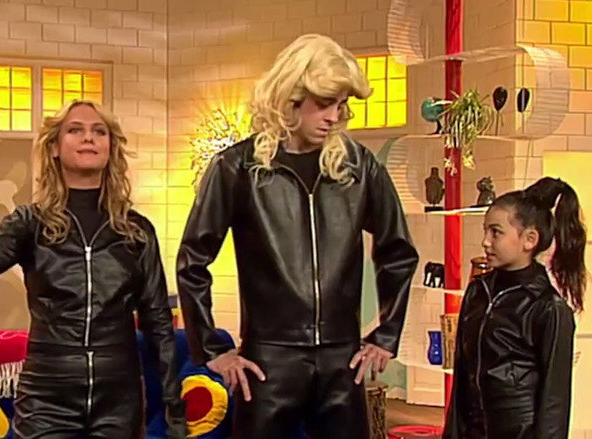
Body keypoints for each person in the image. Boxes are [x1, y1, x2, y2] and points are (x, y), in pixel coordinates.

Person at [176, 34, 419, 439]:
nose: (334, 117)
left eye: (341, 105)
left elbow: (398, 251)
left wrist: (386, 335)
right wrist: (212, 349)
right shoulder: (238, 168)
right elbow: (193, 260)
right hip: (269, 359)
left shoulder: (359, 167)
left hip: (343, 359)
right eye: (324, 103)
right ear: (291, 98)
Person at [0, 100, 186, 438]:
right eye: (75, 130)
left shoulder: (136, 231)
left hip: (118, 400)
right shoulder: (30, 222)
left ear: (111, 148)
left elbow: (157, 321)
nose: (89, 138)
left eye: (99, 132)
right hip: (47, 396)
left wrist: (174, 409)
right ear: (54, 148)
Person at [443, 177, 587, 439]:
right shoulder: (477, 292)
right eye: (485, 231)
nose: (486, 242)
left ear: (529, 239)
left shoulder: (548, 308)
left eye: (495, 232)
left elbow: (554, 403)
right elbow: (461, 381)